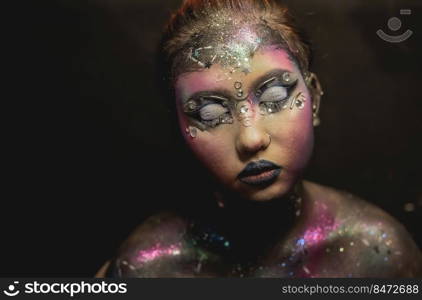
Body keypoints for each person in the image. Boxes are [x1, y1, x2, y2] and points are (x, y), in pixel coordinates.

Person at [96, 0, 422, 277]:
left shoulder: (378, 256)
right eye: (210, 113)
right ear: (180, 128)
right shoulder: (148, 269)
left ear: (315, 99)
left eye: (276, 96)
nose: (251, 138)